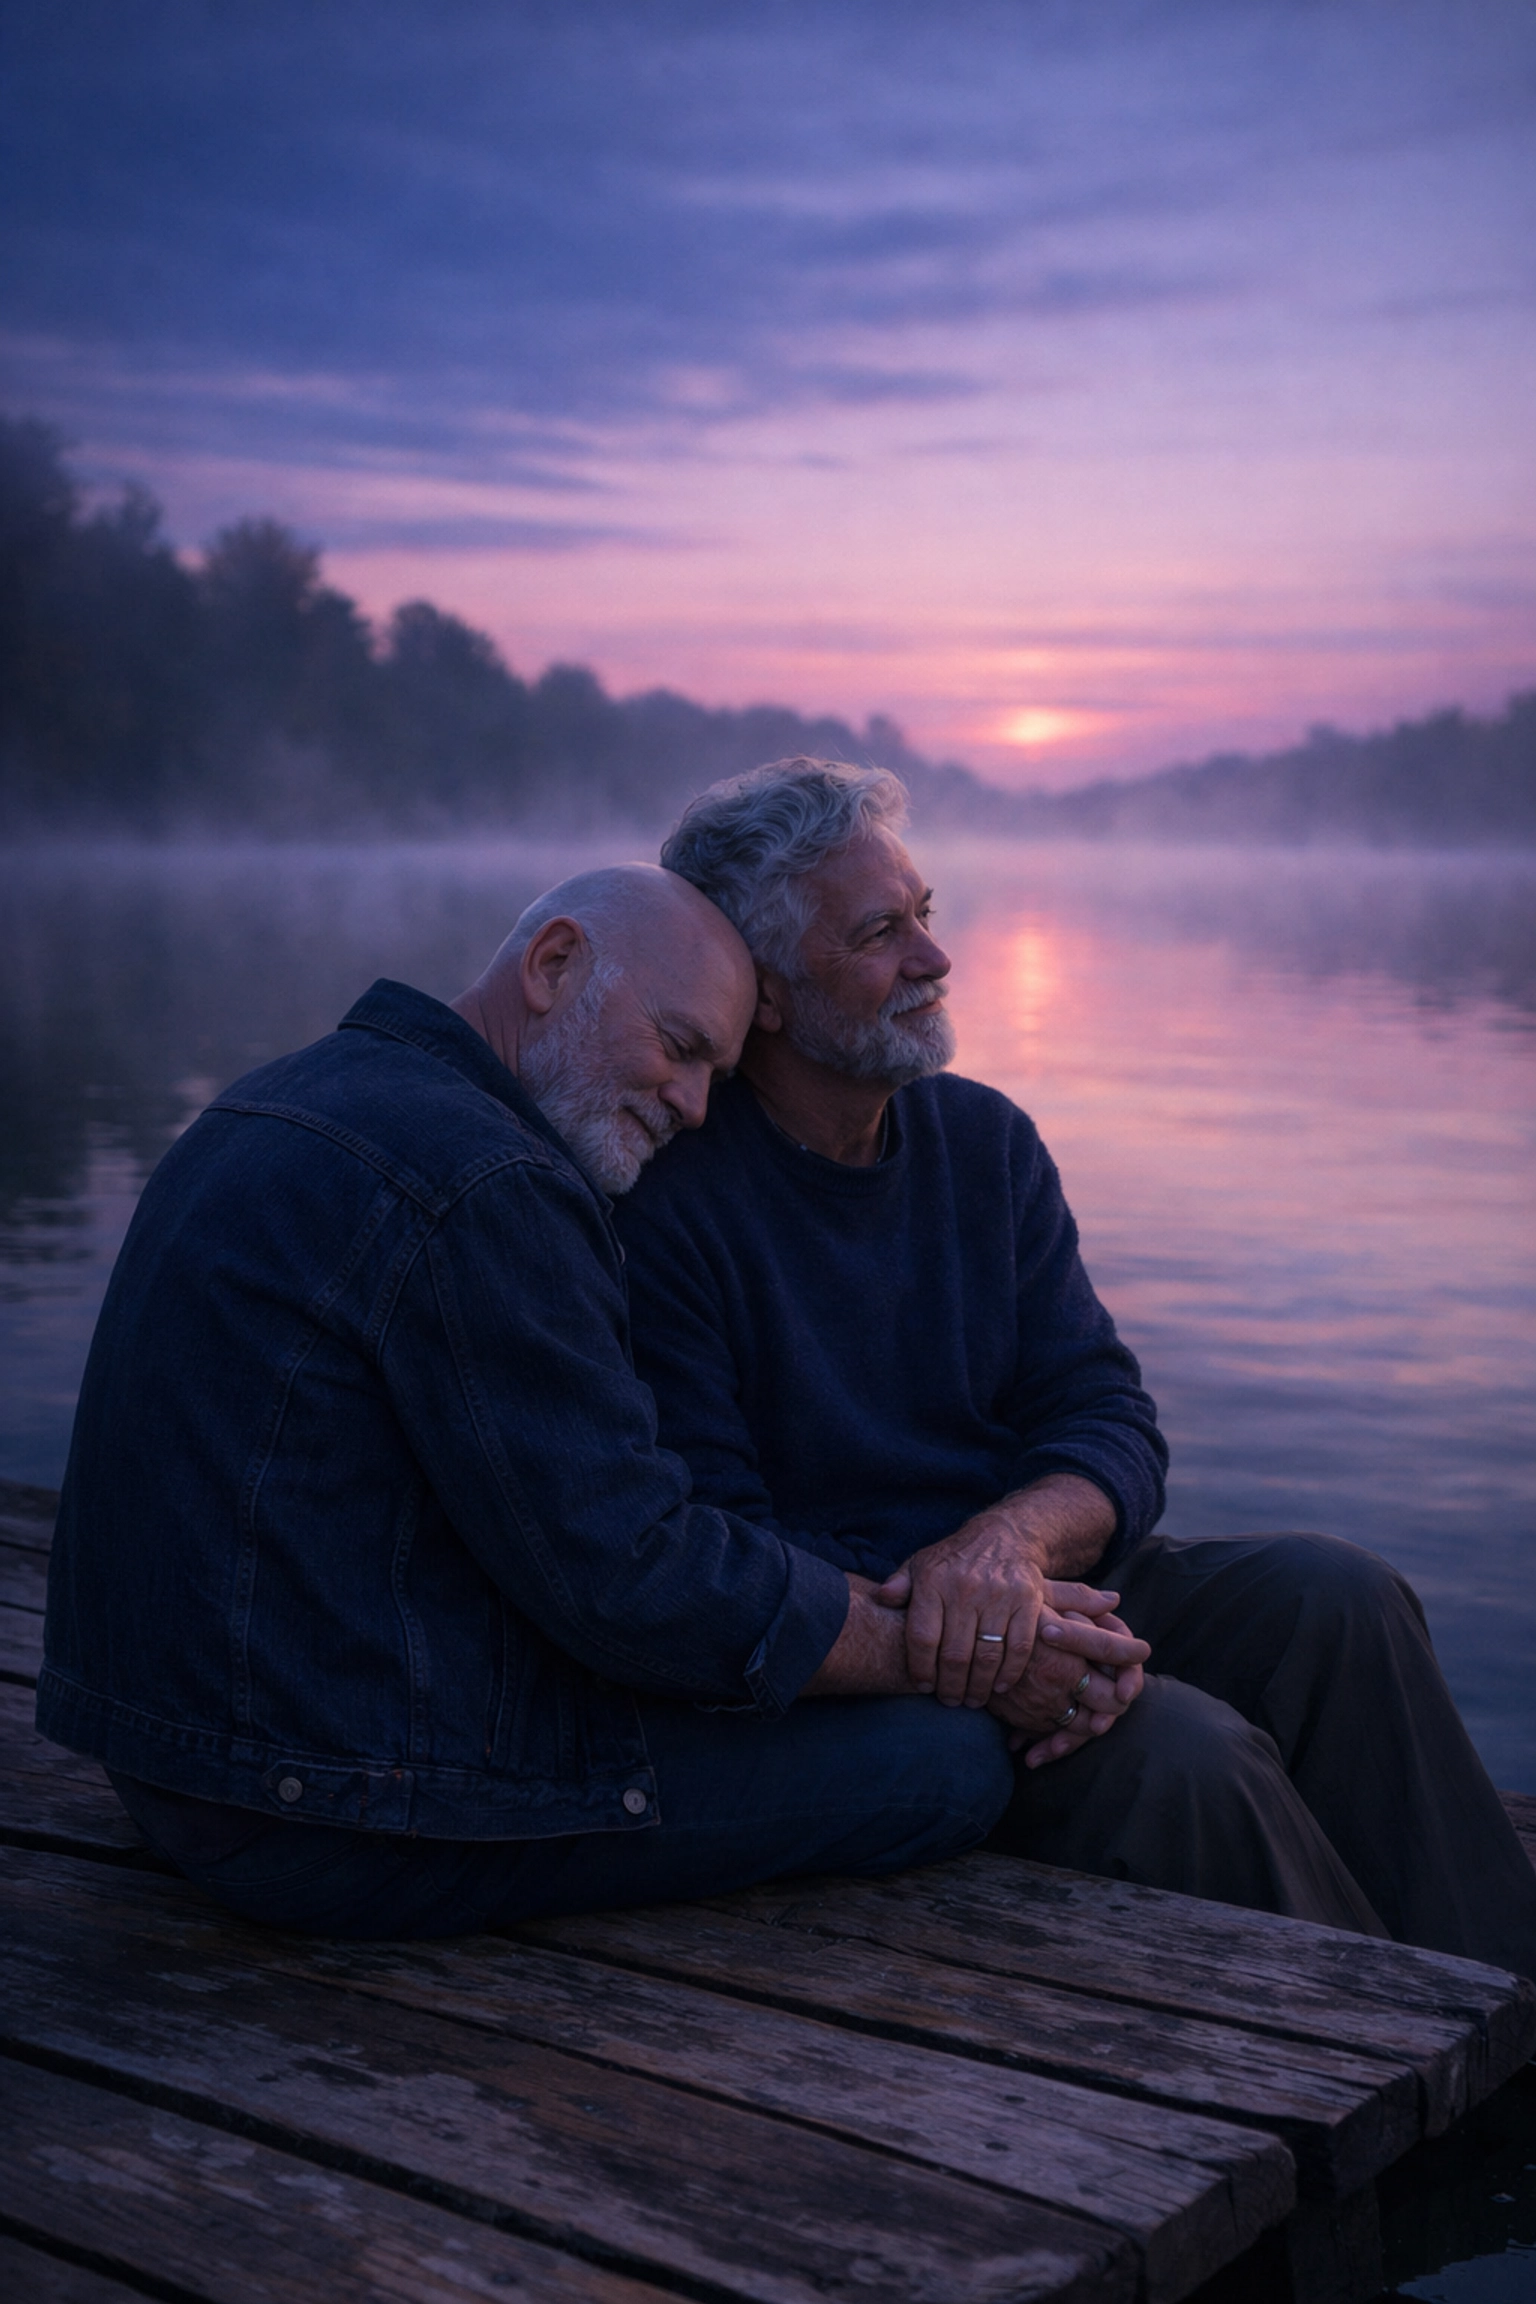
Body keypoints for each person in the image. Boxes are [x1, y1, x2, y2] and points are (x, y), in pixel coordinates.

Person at [39, 863, 1143, 1939]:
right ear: (555, 964)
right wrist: (951, 1652)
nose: (696, 1107)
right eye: (679, 1047)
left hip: (178, 1759)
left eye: (717, 1068)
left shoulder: (285, 1095)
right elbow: (630, 1573)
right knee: (939, 1765)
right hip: (315, 1805)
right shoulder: (485, 1179)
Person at [614, 761, 1536, 1978]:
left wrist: (1010, 1550)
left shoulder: (984, 1144)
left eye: (927, 914)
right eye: (882, 934)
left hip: (1015, 1577)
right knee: (1190, 1757)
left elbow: (1104, 1415)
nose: (935, 959)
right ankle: (1395, 2092)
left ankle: (1505, 2017)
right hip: (868, 1655)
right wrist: (989, 1634)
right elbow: (723, 1540)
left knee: (1339, 1596)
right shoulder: (671, 1200)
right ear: (767, 993)